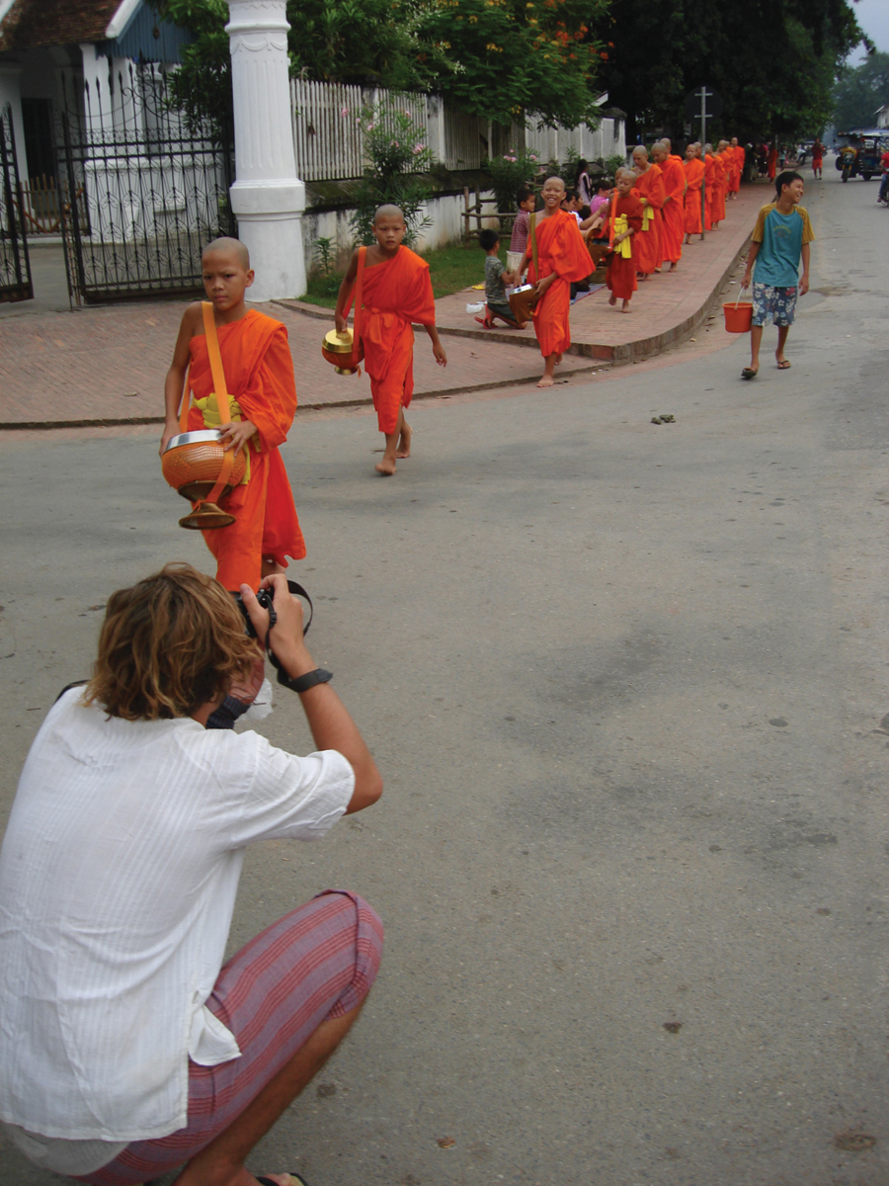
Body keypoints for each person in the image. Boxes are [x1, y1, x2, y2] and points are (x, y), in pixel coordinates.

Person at [0, 563, 384, 1186]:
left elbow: (188, 726)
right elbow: (360, 780)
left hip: (20, 1106)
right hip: (120, 1136)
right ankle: (216, 1172)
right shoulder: (219, 770)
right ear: (227, 665)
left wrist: (229, 666)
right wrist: (293, 652)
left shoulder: (69, 712)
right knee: (355, 930)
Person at [161, 238, 306, 594]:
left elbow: (283, 397)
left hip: (245, 446)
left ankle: (238, 629)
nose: (217, 286)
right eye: (208, 277)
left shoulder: (267, 332)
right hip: (200, 446)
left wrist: (252, 423)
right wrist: (170, 422)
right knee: (220, 533)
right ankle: (276, 602)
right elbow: (177, 370)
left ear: (249, 276)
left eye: (227, 275)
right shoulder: (196, 317)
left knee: (239, 537)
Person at [334, 205, 447, 476]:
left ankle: (389, 456)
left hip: (398, 333)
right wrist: (340, 313)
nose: (390, 234)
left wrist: (435, 342)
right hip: (371, 331)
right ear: (374, 230)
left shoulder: (413, 265)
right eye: (384, 229)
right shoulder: (361, 256)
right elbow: (348, 281)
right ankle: (404, 429)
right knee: (382, 391)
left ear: (404, 230)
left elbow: (424, 307)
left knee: (389, 392)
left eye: (396, 229)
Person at [515, 175, 593, 388]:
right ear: (541, 193)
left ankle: (548, 372)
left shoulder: (566, 220)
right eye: (548, 189)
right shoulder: (534, 218)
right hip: (536, 275)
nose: (551, 193)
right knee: (540, 323)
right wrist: (518, 272)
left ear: (563, 195)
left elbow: (570, 256)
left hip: (557, 276)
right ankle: (554, 349)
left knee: (551, 320)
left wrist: (550, 279)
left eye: (556, 190)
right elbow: (530, 250)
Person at [740, 170, 813, 379]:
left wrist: (805, 275)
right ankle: (754, 361)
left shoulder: (802, 215)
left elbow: (805, 244)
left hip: (788, 275)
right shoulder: (766, 212)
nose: (801, 190)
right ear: (784, 188)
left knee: (784, 317)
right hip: (765, 273)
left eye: (802, 187)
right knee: (758, 315)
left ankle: (780, 352)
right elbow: (756, 241)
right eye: (797, 186)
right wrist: (747, 272)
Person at [603, 168, 643, 313]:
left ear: (633, 185)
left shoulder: (636, 203)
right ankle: (614, 291)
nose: (621, 186)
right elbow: (608, 216)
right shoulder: (614, 198)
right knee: (612, 269)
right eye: (620, 182)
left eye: (626, 184)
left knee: (626, 271)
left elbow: (636, 225)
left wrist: (623, 235)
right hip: (613, 236)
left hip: (626, 240)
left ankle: (625, 302)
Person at [476, 228, 523, 329]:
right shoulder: (497, 263)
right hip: (498, 302)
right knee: (522, 324)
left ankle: (491, 313)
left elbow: (500, 276)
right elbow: (507, 280)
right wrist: (516, 273)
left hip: (491, 299)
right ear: (496, 244)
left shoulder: (488, 260)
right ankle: (495, 312)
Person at [631, 145, 664, 278]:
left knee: (649, 241)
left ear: (646, 157)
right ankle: (639, 268)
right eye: (634, 159)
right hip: (636, 210)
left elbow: (657, 194)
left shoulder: (655, 171)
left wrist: (641, 205)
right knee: (638, 240)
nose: (636, 162)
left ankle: (648, 269)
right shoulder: (634, 172)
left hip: (650, 211)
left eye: (639, 159)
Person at [651, 142, 685, 271]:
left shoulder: (675, 166)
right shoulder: (656, 167)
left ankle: (674, 261)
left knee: (673, 233)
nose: (655, 158)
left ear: (666, 153)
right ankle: (658, 262)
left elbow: (681, 186)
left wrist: (668, 198)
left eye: (657, 155)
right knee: (659, 234)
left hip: (672, 204)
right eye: (653, 156)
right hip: (659, 204)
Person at [508, 187, 536, 277]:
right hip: (522, 249)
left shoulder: (520, 216)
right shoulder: (526, 218)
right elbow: (533, 232)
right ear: (523, 204)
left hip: (515, 249)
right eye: (531, 202)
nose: (534, 204)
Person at [683, 143, 705, 243]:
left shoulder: (700, 165)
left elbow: (699, 179)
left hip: (693, 192)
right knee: (682, 215)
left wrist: (689, 184)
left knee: (692, 215)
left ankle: (689, 236)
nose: (690, 153)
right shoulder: (681, 164)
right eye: (688, 151)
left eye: (692, 151)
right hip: (682, 193)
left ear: (696, 153)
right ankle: (680, 236)